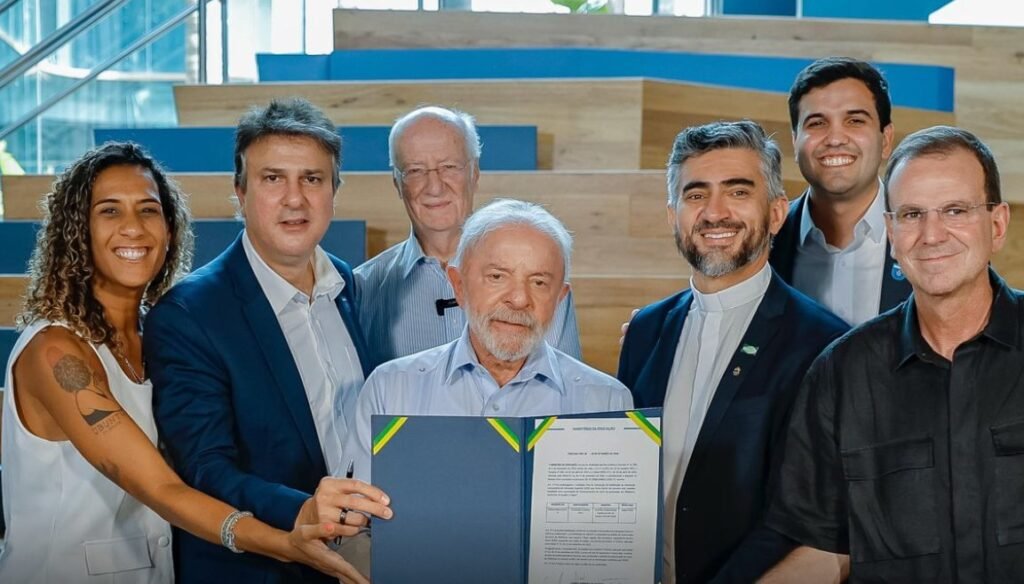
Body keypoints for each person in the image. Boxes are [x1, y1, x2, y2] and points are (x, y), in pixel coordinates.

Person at [0, 142, 381, 584]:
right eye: (109, 211)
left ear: (169, 228)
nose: (133, 228)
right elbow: (163, 488)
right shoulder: (55, 351)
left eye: (148, 210)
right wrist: (285, 543)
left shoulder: (158, 331)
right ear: (76, 230)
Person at [144, 99, 391, 583]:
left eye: (312, 179)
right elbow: (205, 468)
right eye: (273, 178)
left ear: (334, 192)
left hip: (359, 559)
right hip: (262, 568)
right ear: (240, 192)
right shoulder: (189, 314)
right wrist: (304, 510)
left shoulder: (346, 283)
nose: (295, 199)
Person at [763, 126, 1021, 582]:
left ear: (997, 225)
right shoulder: (840, 374)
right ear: (891, 232)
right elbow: (826, 551)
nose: (932, 235)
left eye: (955, 210)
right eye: (912, 214)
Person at [618, 121, 848, 584]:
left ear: (777, 213)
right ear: (673, 215)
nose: (714, 213)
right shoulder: (645, 330)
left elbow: (806, 518)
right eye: (696, 194)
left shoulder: (824, 344)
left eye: (738, 192)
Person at [348, 198, 632, 481]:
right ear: (459, 285)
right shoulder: (389, 389)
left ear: (559, 298)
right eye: (497, 276)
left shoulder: (607, 403)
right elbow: (355, 507)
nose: (519, 299)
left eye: (539, 282)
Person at [354, 106, 582, 364]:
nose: (434, 187)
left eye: (449, 167)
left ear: (474, 172)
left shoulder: (539, 277)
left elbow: (566, 380)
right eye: (415, 170)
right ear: (397, 183)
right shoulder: (363, 289)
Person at [770, 57, 912, 325]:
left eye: (855, 121)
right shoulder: (762, 242)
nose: (835, 139)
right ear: (795, 142)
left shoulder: (930, 236)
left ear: (886, 139)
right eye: (816, 123)